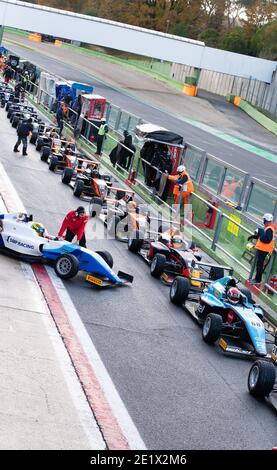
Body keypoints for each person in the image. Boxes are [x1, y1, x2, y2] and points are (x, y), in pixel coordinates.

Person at [248, 213, 276, 285]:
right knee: (259, 264)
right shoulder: (267, 227)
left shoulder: (270, 229)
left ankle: (257, 280)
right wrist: (254, 236)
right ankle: (256, 279)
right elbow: (262, 236)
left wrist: (260, 233)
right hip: (262, 249)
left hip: (265, 250)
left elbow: (267, 240)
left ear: (267, 220)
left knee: (260, 265)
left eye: (264, 219)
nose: (263, 221)